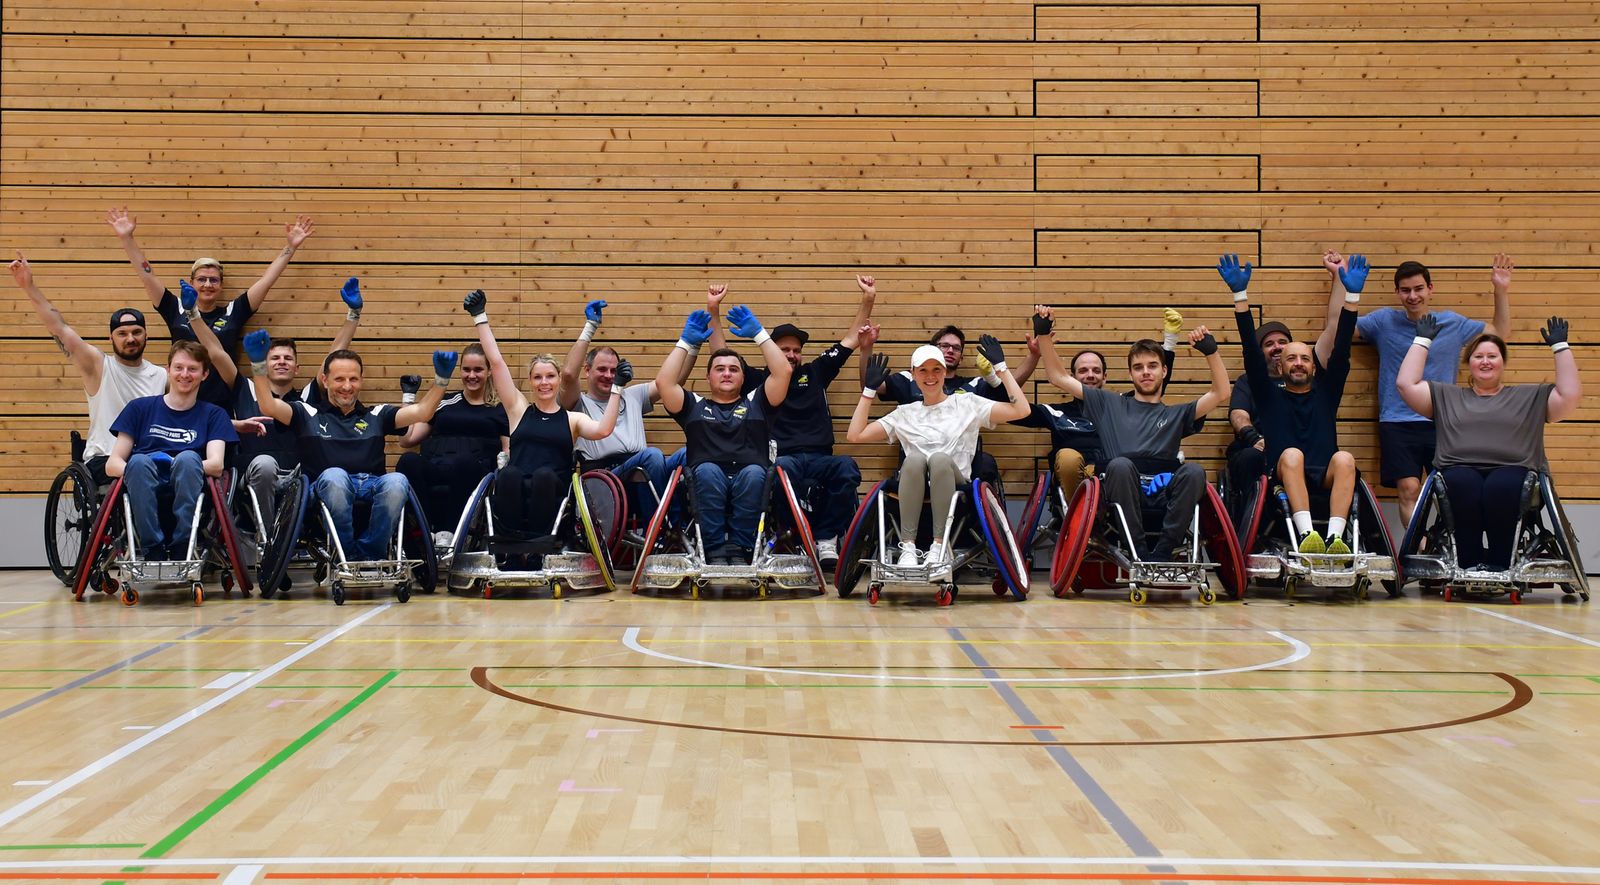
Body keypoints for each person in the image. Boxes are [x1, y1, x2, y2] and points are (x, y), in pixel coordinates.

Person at [707, 275, 879, 568]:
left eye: (796, 350)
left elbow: (851, 338)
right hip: (782, 458)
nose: (791, 354)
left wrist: (868, 299)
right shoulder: (760, 379)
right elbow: (720, 355)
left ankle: (826, 539)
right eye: (784, 349)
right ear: (773, 349)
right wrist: (713, 311)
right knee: (780, 472)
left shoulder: (816, 372)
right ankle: (791, 537)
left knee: (847, 468)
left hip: (820, 457)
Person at [243, 330, 456, 562]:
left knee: (398, 481)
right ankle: (346, 554)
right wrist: (258, 367)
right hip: (324, 487)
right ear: (325, 381)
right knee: (336, 477)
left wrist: (441, 382)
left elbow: (422, 412)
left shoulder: (377, 414)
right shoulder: (306, 412)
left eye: (353, 379)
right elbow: (268, 407)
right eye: (339, 379)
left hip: (371, 484)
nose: (347, 386)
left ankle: (369, 553)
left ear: (361, 381)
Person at [1395, 315, 1580, 571]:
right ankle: (1468, 566)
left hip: (1514, 469)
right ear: (1468, 363)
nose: (1485, 361)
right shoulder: (1446, 395)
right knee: (1462, 484)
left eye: (1492, 356)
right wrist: (1421, 341)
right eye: (1478, 356)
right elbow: (1405, 384)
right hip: (1458, 468)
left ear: (1503, 363)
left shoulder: (1529, 396)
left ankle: (1500, 565)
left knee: (1500, 487)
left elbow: (1569, 397)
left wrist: (1561, 348)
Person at [1037, 324, 1230, 562]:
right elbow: (1058, 377)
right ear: (1130, 375)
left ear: (1164, 371)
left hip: (1163, 496)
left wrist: (1212, 352)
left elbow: (1221, 393)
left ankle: (1162, 554)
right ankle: (1138, 554)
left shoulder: (1178, 414)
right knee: (1120, 465)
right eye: (1138, 368)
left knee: (1194, 471)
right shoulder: (1107, 404)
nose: (1146, 372)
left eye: (1152, 366)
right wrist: (1043, 333)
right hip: (1118, 494)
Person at [1353, 253, 1513, 523]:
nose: (1412, 296)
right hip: (1397, 421)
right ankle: (1418, 554)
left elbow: (1499, 332)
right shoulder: (1383, 322)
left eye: (1418, 289)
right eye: (1405, 291)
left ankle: (1450, 550)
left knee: (1449, 491)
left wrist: (1500, 290)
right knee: (1409, 489)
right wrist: (1341, 285)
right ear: (1398, 294)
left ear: (1430, 289)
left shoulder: (1453, 323)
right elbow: (1339, 329)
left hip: (1442, 419)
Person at [107, 206, 315, 412]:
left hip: (222, 408)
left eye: (214, 280)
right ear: (191, 282)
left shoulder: (233, 311)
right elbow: (147, 276)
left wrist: (290, 248)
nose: (207, 284)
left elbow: (267, 281)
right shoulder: (175, 308)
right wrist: (127, 239)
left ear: (221, 286)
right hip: (182, 402)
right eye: (202, 279)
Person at [1219, 253, 1361, 555]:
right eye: (1290, 359)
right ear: (1280, 369)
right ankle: (1307, 535)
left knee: (1346, 458)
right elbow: (1250, 351)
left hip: (1323, 473)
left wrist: (1352, 297)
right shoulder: (1269, 396)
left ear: (1313, 367)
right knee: (1293, 454)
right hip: (1284, 470)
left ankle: (1335, 540)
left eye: (1304, 358)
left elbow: (1342, 347)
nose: (1298, 363)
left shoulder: (1327, 392)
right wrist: (1240, 296)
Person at [847, 335, 1030, 568]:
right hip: (914, 483)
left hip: (954, 483)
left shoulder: (967, 404)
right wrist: (869, 392)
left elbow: (1021, 411)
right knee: (913, 460)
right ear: (913, 375)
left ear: (945, 372)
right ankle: (908, 548)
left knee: (939, 459)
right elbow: (855, 436)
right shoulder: (905, 413)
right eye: (923, 370)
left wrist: (1001, 370)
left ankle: (938, 547)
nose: (930, 376)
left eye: (936, 369)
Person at [464, 290, 620, 545]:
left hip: (552, 492)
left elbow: (603, 430)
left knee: (545, 477)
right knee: (509, 475)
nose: (544, 382)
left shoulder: (572, 419)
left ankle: (538, 545)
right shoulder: (518, 409)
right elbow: (497, 362)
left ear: (559, 380)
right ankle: (511, 547)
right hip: (516, 488)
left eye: (550, 376)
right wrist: (479, 316)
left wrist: (617, 388)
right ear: (530, 382)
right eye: (538, 377)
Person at [11, 252, 167, 485]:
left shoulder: (162, 375)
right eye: (122, 334)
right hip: (104, 459)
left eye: (136, 332)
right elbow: (59, 328)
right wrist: (29, 286)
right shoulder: (98, 366)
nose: (130, 338)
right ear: (111, 338)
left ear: (146, 335)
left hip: (148, 458)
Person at [655, 303, 792, 565]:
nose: (727, 373)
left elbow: (783, 371)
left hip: (752, 478)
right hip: (704, 480)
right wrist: (685, 341)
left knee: (753, 473)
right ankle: (715, 549)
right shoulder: (694, 405)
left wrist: (759, 334)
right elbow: (665, 383)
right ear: (708, 377)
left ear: (743, 378)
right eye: (720, 368)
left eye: (734, 369)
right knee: (706, 470)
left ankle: (740, 549)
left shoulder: (758, 402)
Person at [1011, 306, 1191, 503]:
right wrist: (1033, 357)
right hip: (1077, 484)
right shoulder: (1056, 412)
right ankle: (1083, 524)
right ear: (1072, 377)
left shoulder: (1122, 403)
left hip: (1119, 478)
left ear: (1105, 377)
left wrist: (1169, 344)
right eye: (1083, 370)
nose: (1090, 375)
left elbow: (1154, 386)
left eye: (1096, 370)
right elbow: (1012, 409)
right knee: (1067, 456)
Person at [557, 293, 700, 527]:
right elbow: (568, 375)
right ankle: (663, 529)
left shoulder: (631, 394)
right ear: (588, 370)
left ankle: (690, 529)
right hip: (605, 476)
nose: (609, 376)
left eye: (614, 371)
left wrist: (692, 346)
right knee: (652, 456)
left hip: (643, 467)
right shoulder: (577, 403)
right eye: (601, 369)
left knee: (690, 452)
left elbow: (672, 383)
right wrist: (590, 327)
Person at [234, 278, 362, 536]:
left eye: (288, 358)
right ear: (263, 364)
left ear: (297, 368)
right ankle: (269, 537)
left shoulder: (306, 398)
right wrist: (192, 315)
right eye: (275, 358)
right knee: (266, 463)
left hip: (299, 476)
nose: (281, 362)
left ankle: (299, 535)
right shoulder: (245, 388)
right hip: (255, 475)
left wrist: (353, 314)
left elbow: (335, 356)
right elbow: (214, 353)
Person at [105, 341, 238, 560]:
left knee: (187, 458)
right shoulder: (139, 408)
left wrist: (174, 464)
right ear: (168, 370)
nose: (184, 374)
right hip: (144, 479)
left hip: (189, 478)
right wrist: (147, 469)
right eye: (178, 367)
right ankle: (151, 549)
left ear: (204, 374)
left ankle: (182, 545)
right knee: (138, 461)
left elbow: (216, 464)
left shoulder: (214, 415)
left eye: (192, 369)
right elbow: (113, 464)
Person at [396, 342, 509, 539]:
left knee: (464, 462)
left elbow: (507, 450)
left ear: (489, 371)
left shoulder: (499, 409)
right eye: (466, 369)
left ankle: (449, 533)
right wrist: (408, 398)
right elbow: (407, 440)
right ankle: (427, 530)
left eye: (478, 370)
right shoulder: (445, 402)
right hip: (437, 468)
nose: (471, 375)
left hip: (473, 475)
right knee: (408, 460)